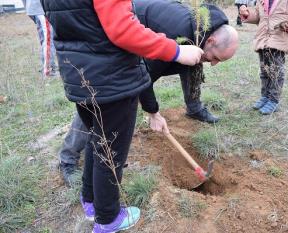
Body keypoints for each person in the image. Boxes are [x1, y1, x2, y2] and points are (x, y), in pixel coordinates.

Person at [41, 0, 203, 232]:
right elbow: (123, 30)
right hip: (112, 80)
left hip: (78, 75)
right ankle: (108, 219)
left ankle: (90, 201)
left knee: (98, 141)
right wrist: (176, 51)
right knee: (111, 153)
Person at [59, 0, 238, 186]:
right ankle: (68, 158)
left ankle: (194, 108)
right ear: (211, 41)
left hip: (142, 32)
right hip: (123, 37)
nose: (215, 63)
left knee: (192, 63)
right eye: (216, 58)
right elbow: (142, 76)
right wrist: (153, 112)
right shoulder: (175, 36)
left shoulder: (202, 28)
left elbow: (190, 67)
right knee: (99, 100)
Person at [239, 0, 288, 114]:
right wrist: (247, 14)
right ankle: (265, 96)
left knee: (276, 72)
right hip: (262, 38)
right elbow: (259, 16)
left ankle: (274, 100)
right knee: (264, 71)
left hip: (279, 38)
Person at [22, 0, 57, 77]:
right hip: (41, 9)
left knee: (46, 39)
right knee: (48, 39)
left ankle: (47, 66)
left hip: (36, 8)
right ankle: (48, 70)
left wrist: (28, 8)